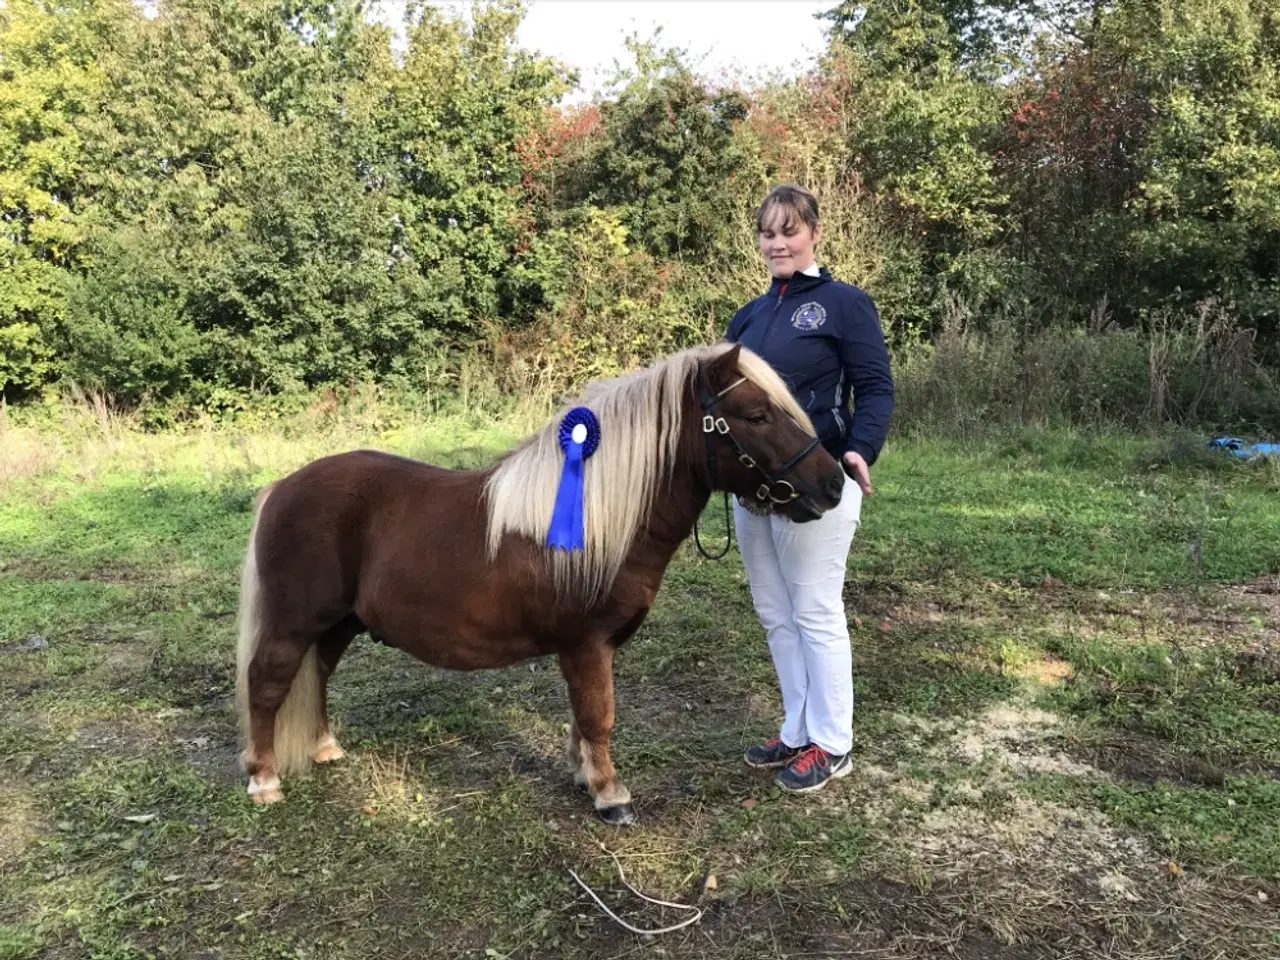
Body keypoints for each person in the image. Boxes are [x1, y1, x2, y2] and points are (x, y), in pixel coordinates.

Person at [725, 183, 894, 793]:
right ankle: (797, 729)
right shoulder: (747, 314)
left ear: (814, 232)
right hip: (754, 492)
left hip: (815, 483)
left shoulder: (845, 304)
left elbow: (875, 388)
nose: (777, 243)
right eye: (768, 233)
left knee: (815, 611)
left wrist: (860, 448)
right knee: (776, 614)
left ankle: (833, 742)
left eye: (788, 230)